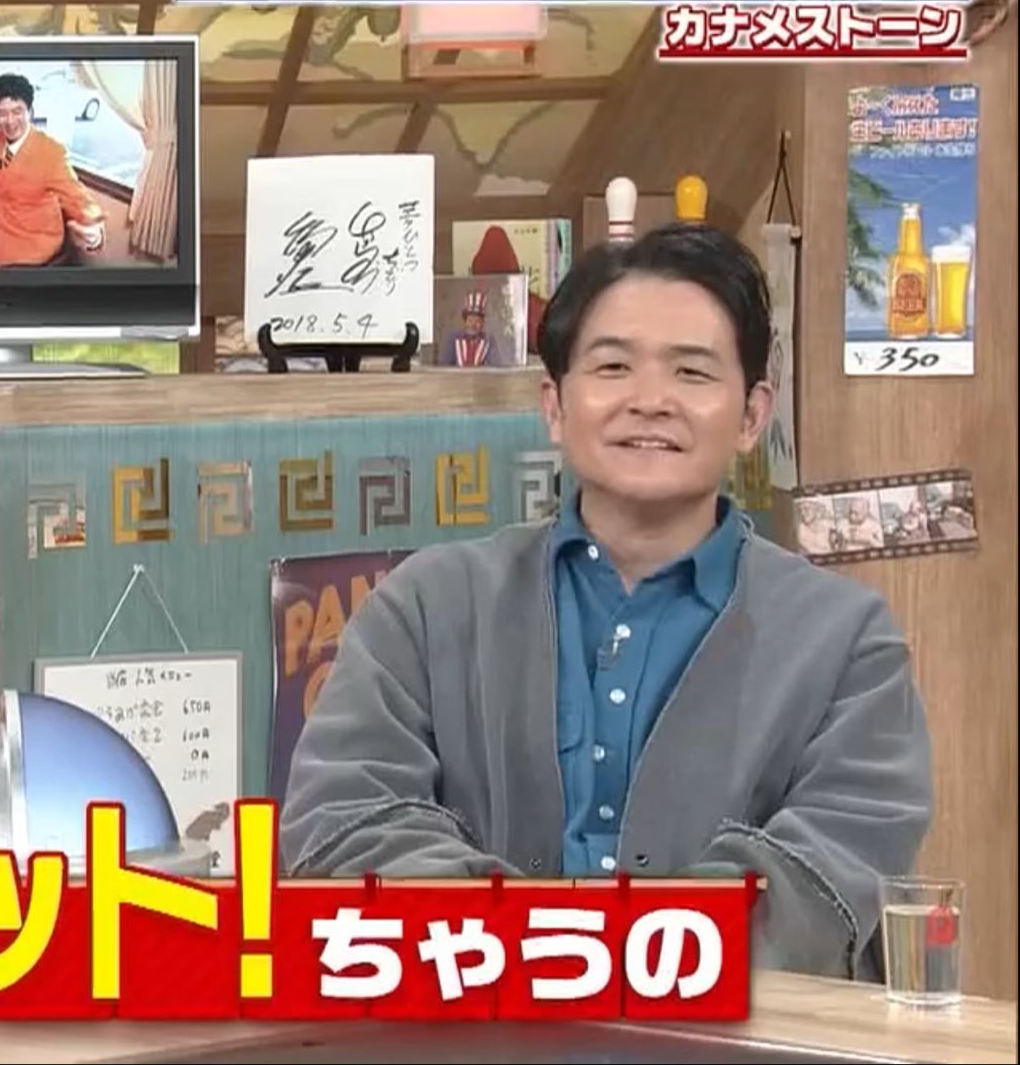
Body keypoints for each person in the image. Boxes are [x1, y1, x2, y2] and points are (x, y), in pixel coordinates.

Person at [279, 223, 933, 981]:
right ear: (555, 404)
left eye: (692, 372)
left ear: (753, 415)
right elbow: (349, 820)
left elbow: (829, 872)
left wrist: (604, 959)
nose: (649, 401)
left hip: (739, 1034)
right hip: (474, 1025)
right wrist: (538, 956)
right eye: (613, 366)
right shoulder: (424, 607)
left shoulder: (848, 642)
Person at [0, 73, 106, 267]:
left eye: (17, 111)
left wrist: (94, 232)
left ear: (30, 111)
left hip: (34, 241)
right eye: (1, 113)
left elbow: (77, 198)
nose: (10, 121)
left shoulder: (50, 152)